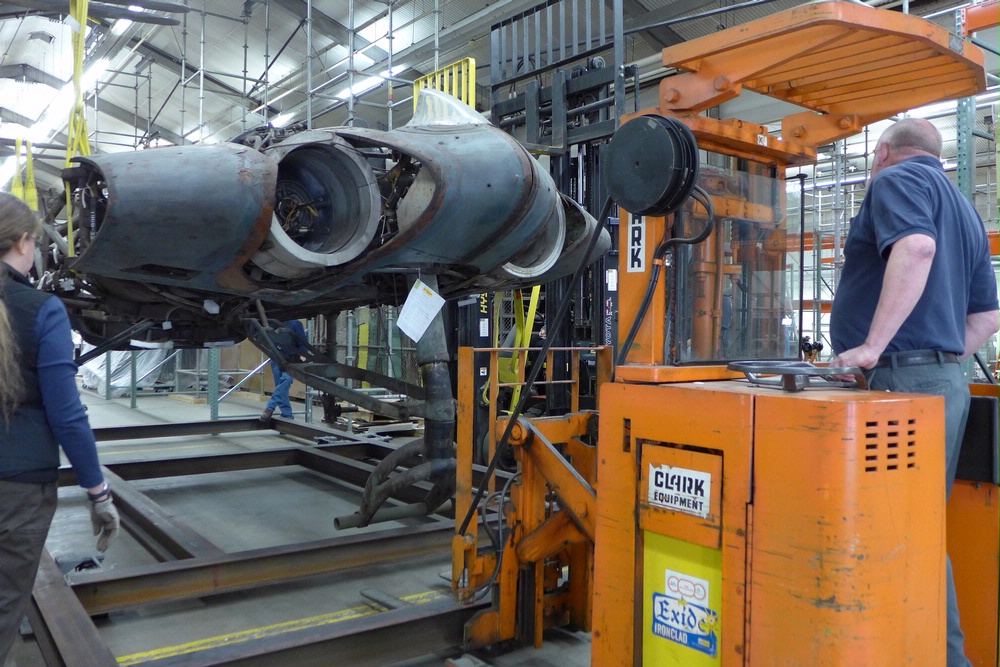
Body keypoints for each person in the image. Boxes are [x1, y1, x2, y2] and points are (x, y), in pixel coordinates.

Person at [830, 117, 1000, 667]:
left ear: (881, 153)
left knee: (892, 529)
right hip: (943, 381)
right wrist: (943, 355)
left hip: (898, 382)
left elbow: (917, 249)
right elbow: (988, 314)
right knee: (918, 527)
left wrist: (874, 348)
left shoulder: (895, 181)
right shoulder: (965, 210)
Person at [0, 192, 120, 662]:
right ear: (25, 243)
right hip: (20, 491)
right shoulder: (42, 310)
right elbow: (66, 415)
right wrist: (98, 494)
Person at [260, 319, 308, 421]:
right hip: (276, 359)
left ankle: (270, 408)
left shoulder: (295, 323)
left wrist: (302, 358)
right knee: (281, 388)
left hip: (292, 360)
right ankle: (287, 416)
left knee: (286, 380)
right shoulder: (272, 322)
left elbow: (302, 343)